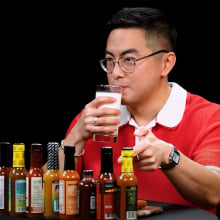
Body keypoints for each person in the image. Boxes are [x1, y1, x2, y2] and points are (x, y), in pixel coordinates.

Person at [57, 7, 220, 214]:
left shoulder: (209, 117)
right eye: (109, 61)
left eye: (128, 61)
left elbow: (213, 193)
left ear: (166, 63)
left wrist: (169, 157)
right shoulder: (94, 117)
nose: (115, 73)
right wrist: (76, 136)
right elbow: (47, 195)